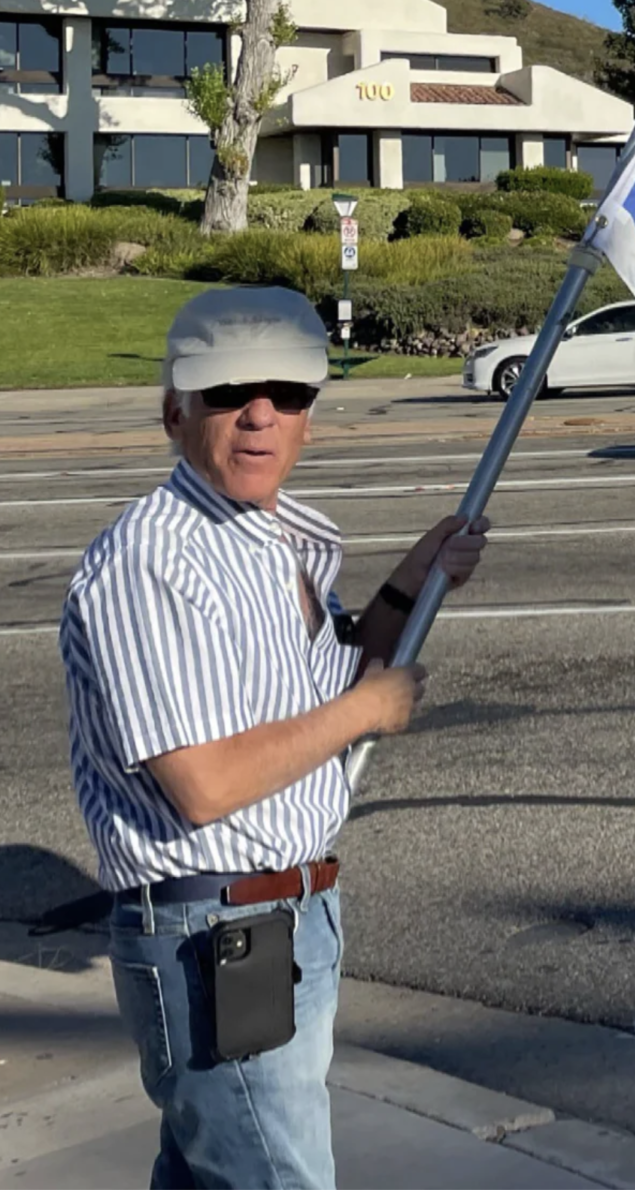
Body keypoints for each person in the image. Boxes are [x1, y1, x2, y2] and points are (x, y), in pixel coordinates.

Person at [59, 286, 489, 1190]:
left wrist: (414, 578)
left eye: (287, 394)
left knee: (214, 1170)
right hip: (214, 933)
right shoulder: (153, 561)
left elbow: (324, 680)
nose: (261, 415)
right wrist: (366, 712)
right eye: (229, 392)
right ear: (175, 411)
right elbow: (204, 783)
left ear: (308, 416)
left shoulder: (272, 539)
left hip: (282, 920)